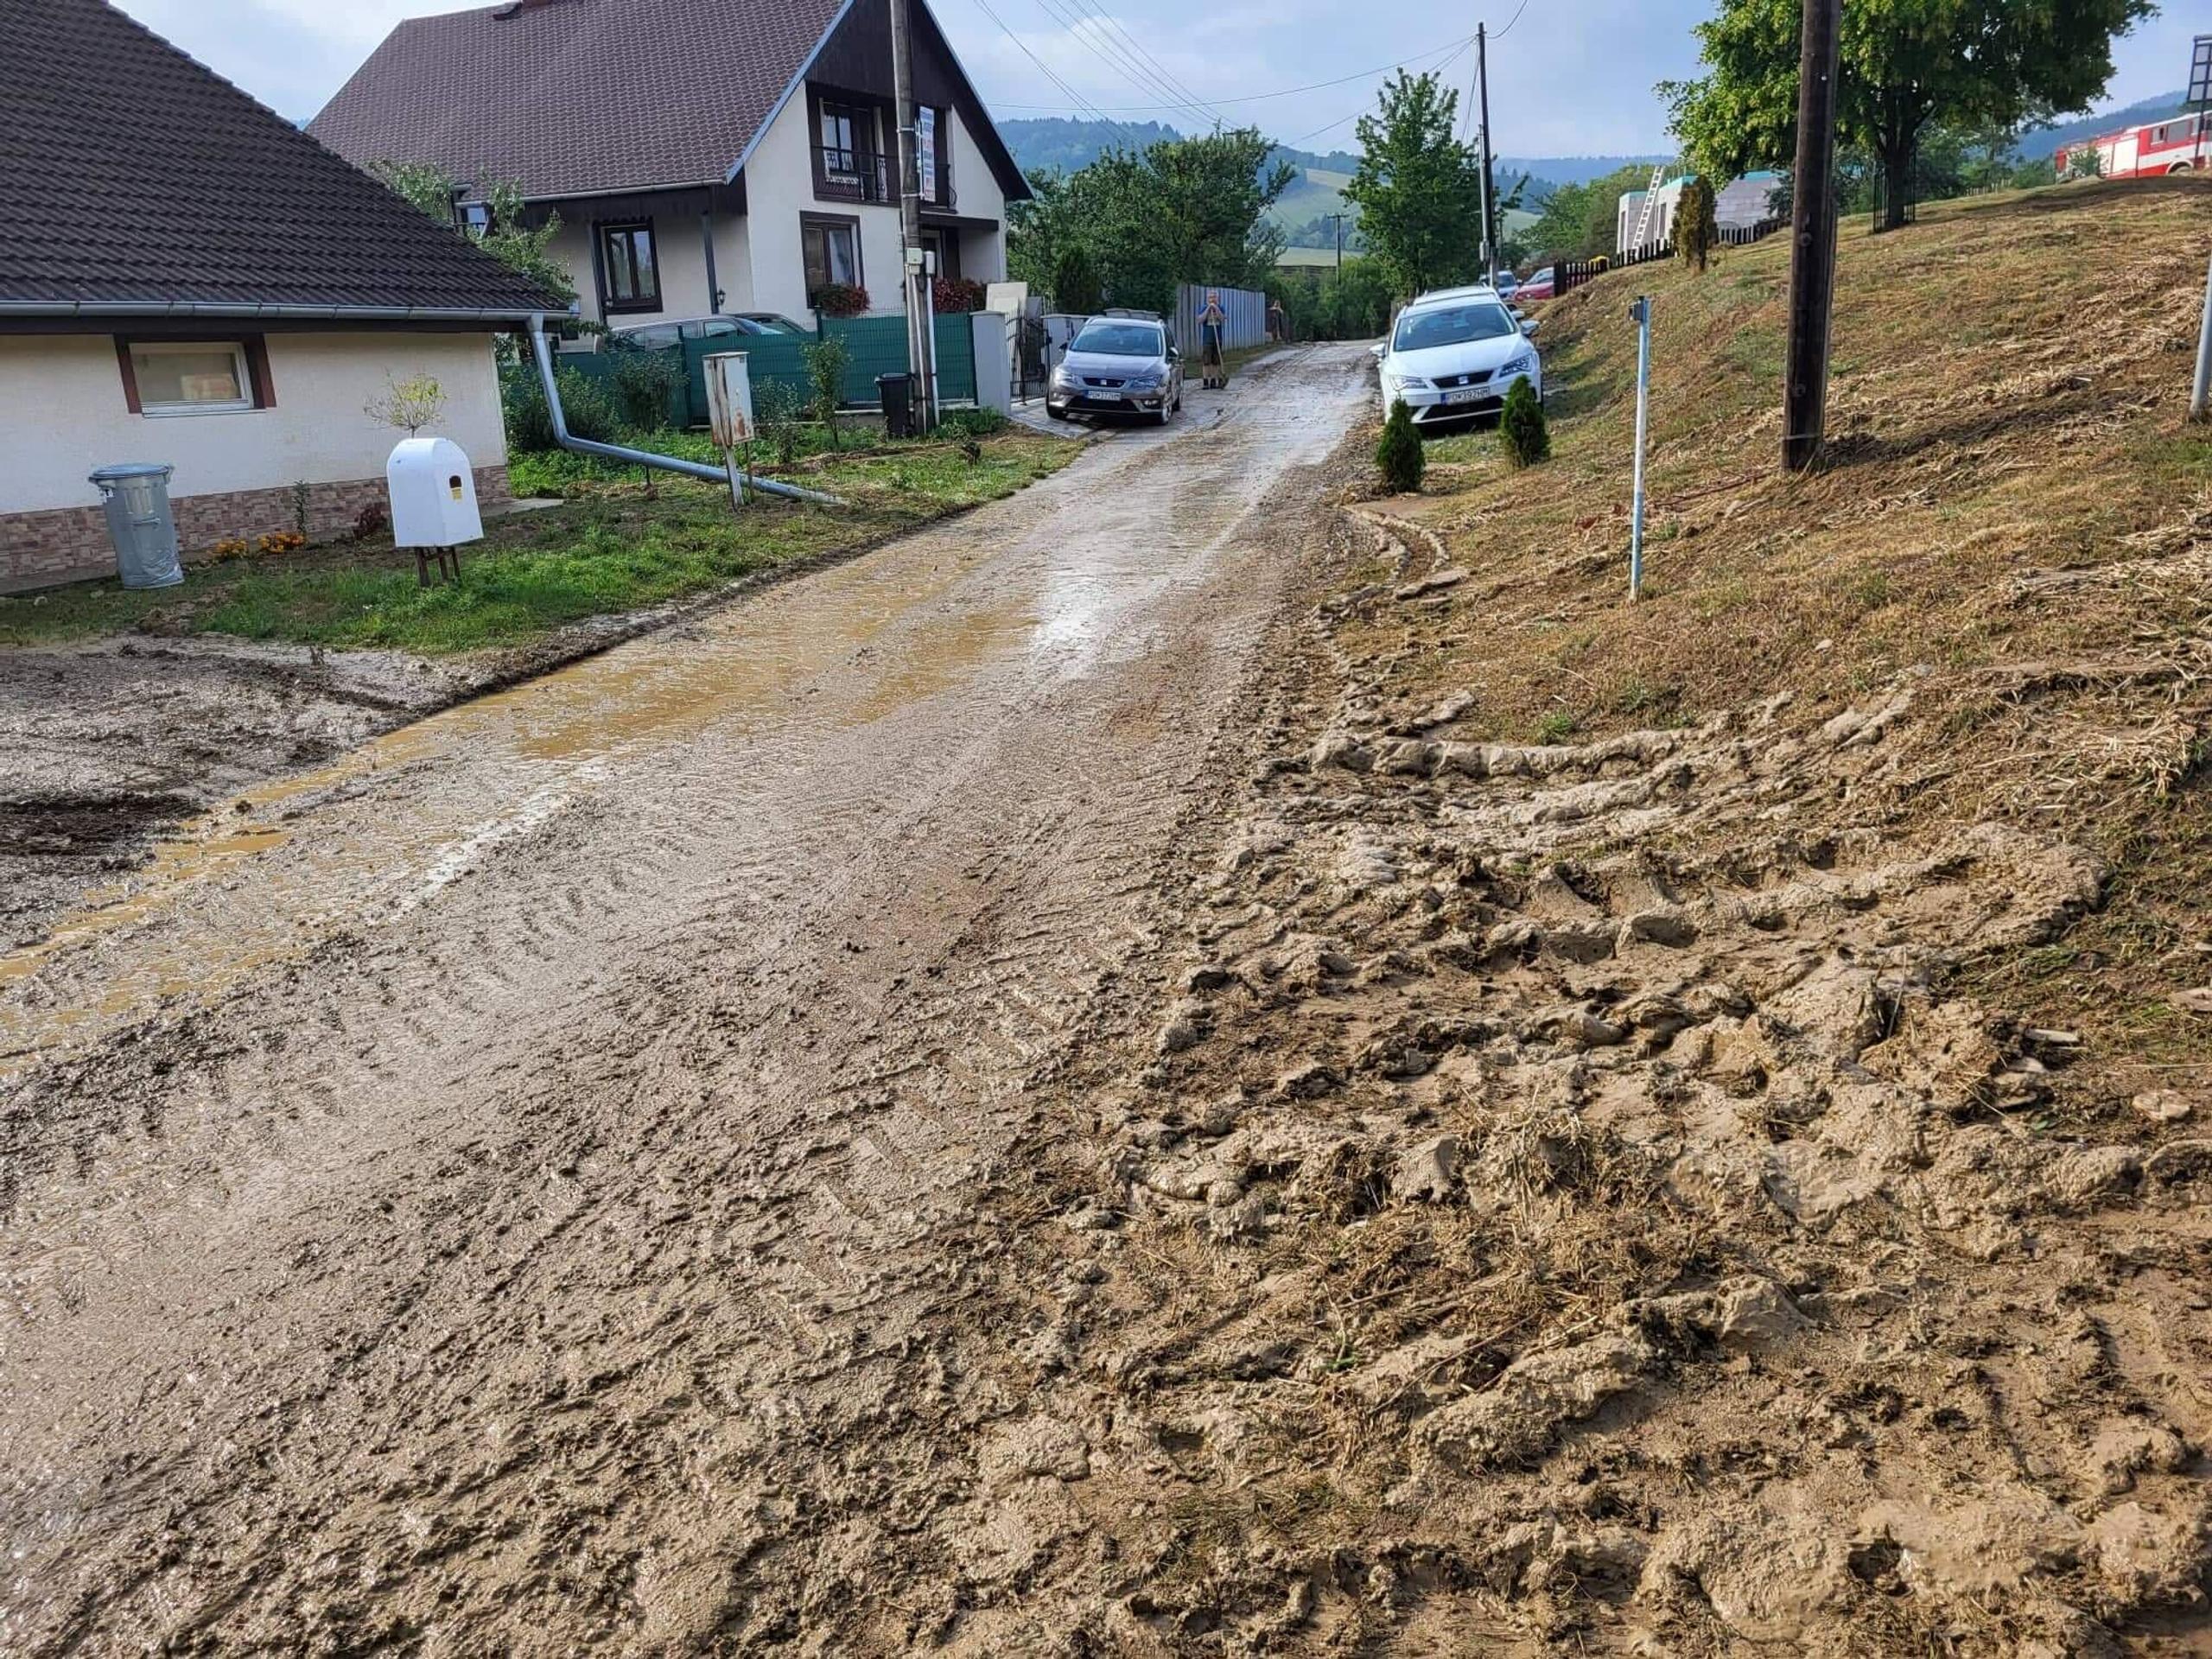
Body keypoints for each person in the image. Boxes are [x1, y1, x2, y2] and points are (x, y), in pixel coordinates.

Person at [1198, 289, 1227, 389]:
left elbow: (1223, 319)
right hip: (1207, 339)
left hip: (1217, 338)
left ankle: (1214, 380)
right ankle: (1206, 381)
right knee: (1206, 361)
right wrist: (1208, 309)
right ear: (1207, 299)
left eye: (1214, 297)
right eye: (1210, 297)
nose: (1212, 299)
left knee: (1216, 361)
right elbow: (1200, 320)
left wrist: (1216, 309)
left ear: (1217, 298)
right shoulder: (1204, 308)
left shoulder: (1221, 308)